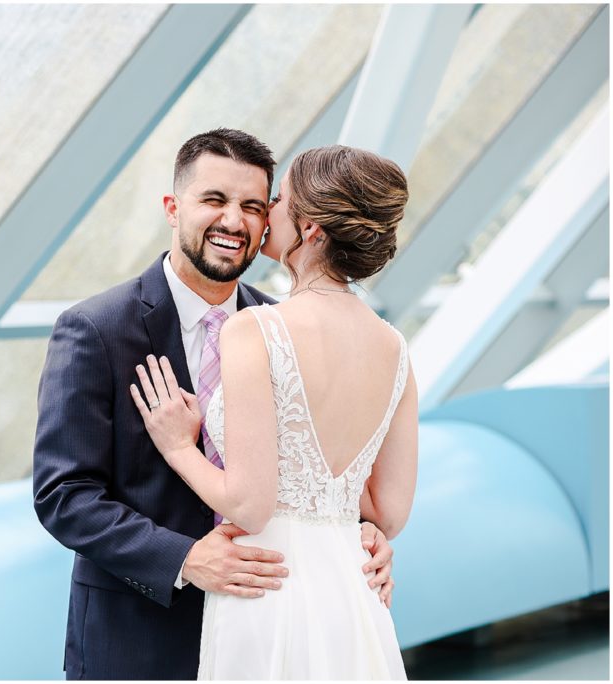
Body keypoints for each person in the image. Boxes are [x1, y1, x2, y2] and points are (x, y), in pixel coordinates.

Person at [33, 130, 396, 680]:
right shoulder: (95, 330)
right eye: (214, 200)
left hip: (273, 625)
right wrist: (183, 559)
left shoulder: (285, 329)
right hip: (140, 637)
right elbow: (64, 494)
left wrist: (364, 534)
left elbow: (328, 468)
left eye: (253, 206)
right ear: (173, 208)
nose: (234, 221)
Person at [130, 144, 416, 679]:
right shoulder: (394, 347)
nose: (267, 213)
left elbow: (250, 506)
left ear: (310, 230)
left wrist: (177, 447)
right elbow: (389, 513)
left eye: (279, 199)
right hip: (353, 592)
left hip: (268, 585)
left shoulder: (258, 329)